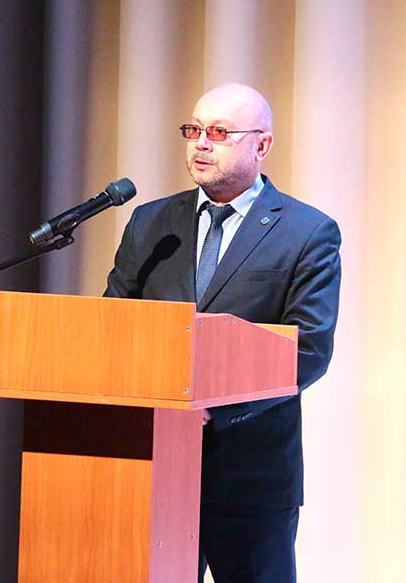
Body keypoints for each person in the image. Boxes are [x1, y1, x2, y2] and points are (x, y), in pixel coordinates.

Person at [104, 83, 341, 583]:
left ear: (262, 145)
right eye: (193, 130)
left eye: (218, 132)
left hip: (250, 472)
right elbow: (114, 325)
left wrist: (213, 408)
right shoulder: (151, 222)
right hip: (153, 465)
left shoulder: (306, 231)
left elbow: (308, 348)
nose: (201, 144)